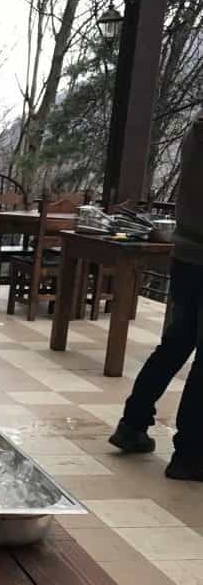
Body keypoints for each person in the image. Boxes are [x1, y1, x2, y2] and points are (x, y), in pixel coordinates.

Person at [109, 113, 203, 480]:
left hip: (186, 255)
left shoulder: (195, 130)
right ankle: (191, 454)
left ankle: (132, 424)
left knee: (175, 344)